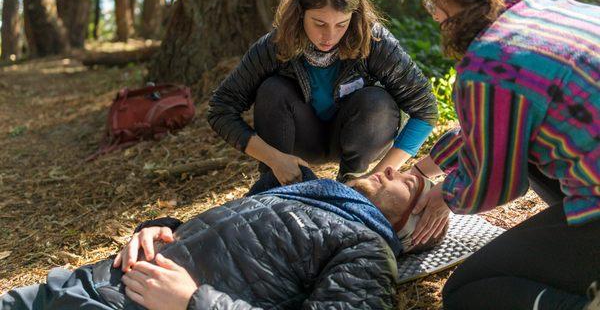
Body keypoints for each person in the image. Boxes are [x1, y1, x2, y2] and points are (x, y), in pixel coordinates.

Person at [405, 0, 600, 310]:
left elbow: (493, 188)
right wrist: (425, 168)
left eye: (434, 2)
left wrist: (446, 192)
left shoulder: (487, 62)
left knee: (468, 290)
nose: (435, 14)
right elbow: (499, 122)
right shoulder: (560, 10)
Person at [1, 167, 445, 310]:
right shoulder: (310, 191)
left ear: (410, 223)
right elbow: (224, 230)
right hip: (82, 285)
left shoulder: (368, 249)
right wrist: (163, 227)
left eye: (407, 184)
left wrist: (194, 302)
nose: (391, 169)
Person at [208, 0, 438, 186]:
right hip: (299, 140)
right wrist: (274, 159)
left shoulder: (374, 41)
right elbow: (221, 109)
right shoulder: (274, 46)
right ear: (299, 14)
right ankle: (275, 182)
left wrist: (376, 178)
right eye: (319, 23)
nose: (329, 36)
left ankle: (352, 179)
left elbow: (425, 110)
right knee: (272, 89)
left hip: (356, 138)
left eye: (341, 24)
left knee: (377, 101)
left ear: (354, 17)